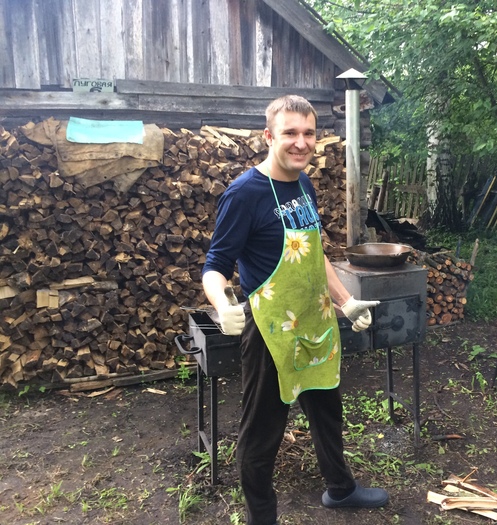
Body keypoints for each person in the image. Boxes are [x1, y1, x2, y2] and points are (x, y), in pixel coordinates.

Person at [202, 95, 389, 525]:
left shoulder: (303, 184)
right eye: (290, 133)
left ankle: (341, 490)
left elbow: (313, 252)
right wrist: (221, 303)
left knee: (327, 412)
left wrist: (345, 301)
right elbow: (215, 266)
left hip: (315, 321)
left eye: (308, 133)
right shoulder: (244, 194)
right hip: (272, 332)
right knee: (261, 434)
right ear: (269, 136)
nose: (301, 142)